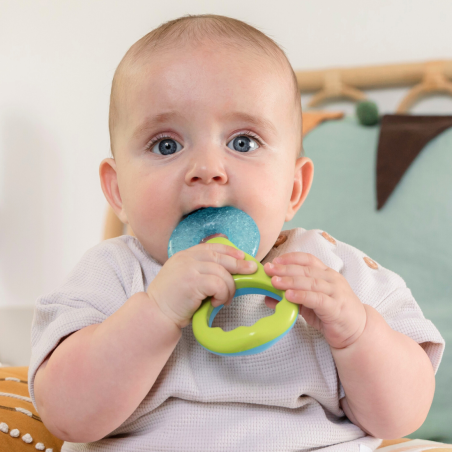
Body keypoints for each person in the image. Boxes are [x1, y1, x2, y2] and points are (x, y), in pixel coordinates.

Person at [28, 14, 445, 452]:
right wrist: (155, 312)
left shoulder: (331, 272)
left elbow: (402, 414)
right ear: (118, 191)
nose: (207, 169)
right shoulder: (112, 273)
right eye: (166, 145)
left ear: (294, 188)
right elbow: (65, 414)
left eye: (243, 142)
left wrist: (356, 332)